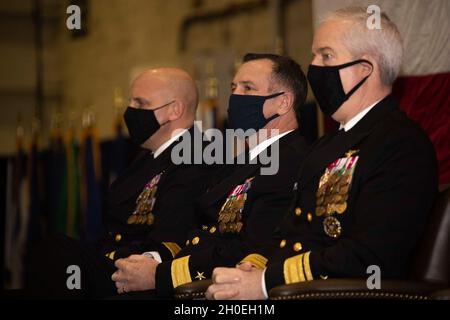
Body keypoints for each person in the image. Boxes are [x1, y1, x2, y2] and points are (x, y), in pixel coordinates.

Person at [206, 7, 438, 300]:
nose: (313, 66)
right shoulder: (328, 145)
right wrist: (253, 267)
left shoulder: (399, 144)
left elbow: (370, 259)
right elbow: (289, 234)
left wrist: (267, 282)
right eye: (314, 55)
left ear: (365, 69)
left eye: (326, 56)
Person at [111, 53, 310, 298]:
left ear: (283, 102)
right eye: (234, 87)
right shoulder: (237, 165)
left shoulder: (291, 162)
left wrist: (160, 274)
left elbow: (250, 248)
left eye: (248, 88)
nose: (236, 97)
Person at [26, 68, 213, 299]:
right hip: (115, 264)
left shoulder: (196, 157)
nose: (130, 111)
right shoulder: (147, 156)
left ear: (175, 110)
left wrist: (107, 259)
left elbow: (169, 239)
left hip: (141, 275)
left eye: (140, 103)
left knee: (57, 252)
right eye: (131, 102)